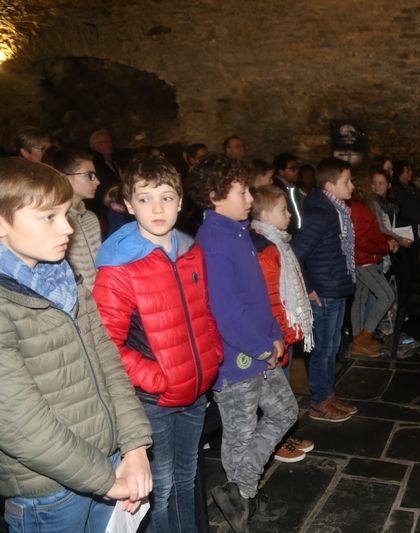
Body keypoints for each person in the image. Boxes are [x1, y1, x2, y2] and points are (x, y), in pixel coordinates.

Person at [0, 158, 152, 532]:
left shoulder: (62, 277)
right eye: (48, 217)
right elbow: (20, 425)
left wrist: (134, 447)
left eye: (65, 214)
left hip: (108, 461)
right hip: (50, 490)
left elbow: (108, 361)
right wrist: (104, 479)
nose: (67, 228)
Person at [91, 154, 222, 533]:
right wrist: (158, 379)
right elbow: (106, 343)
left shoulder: (190, 250)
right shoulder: (119, 267)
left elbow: (204, 310)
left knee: (186, 477)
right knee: (159, 489)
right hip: (154, 400)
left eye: (166, 197)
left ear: (181, 202)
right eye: (145, 199)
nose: (158, 208)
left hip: (195, 390)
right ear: (129, 205)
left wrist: (212, 356)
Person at [190, 154, 295, 531]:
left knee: (285, 412)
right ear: (215, 196)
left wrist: (274, 336)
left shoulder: (235, 231)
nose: (250, 198)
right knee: (240, 434)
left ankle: (240, 490)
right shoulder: (214, 241)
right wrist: (262, 348)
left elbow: (255, 296)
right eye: (242, 192)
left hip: (259, 347)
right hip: (237, 360)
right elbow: (226, 311)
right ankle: (244, 497)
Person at [250, 185, 315, 463]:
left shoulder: (278, 244)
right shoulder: (266, 249)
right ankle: (275, 442)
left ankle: (284, 436)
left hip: (282, 331)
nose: (289, 214)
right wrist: (282, 333)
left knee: (284, 388)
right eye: (283, 210)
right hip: (275, 332)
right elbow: (270, 298)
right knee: (277, 393)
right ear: (265, 214)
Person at [292, 157, 357, 422]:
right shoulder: (321, 213)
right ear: (330, 185)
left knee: (332, 347)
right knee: (323, 350)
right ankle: (319, 402)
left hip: (335, 287)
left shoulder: (335, 210)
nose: (352, 186)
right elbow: (296, 253)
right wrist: (308, 288)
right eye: (347, 181)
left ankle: (328, 395)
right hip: (323, 291)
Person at [348, 176, 399, 357]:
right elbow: (361, 240)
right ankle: (364, 336)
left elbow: (374, 232)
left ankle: (358, 341)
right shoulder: (357, 208)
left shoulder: (363, 206)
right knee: (387, 295)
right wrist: (385, 246)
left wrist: (387, 241)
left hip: (366, 258)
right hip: (364, 260)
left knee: (360, 299)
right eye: (370, 183)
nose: (373, 187)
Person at [43, 149, 103, 290]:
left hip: (102, 294)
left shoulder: (91, 218)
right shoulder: (52, 224)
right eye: (89, 175)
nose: (98, 182)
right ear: (64, 177)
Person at [392, 160, 420, 305]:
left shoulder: (411, 187)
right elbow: (405, 209)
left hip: (416, 229)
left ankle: (415, 290)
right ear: (400, 173)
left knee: (414, 259)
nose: (410, 173)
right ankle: (408, 296)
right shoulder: (397, 189)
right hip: (406, 230)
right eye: (407, 171)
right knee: (407, 262)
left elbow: (419, 203)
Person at [89, 129, 121, 217]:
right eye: (105, 142)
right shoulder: (94, 164)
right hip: (106, 208)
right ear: (95, 146)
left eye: (110, 142)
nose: (110, 144)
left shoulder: (114, 160)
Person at [273, 153, 304, 235]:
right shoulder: (276, 190)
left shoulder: (293, 187)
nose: (297, 171)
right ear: (281, 172)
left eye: (297, 168)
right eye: (292, 168)